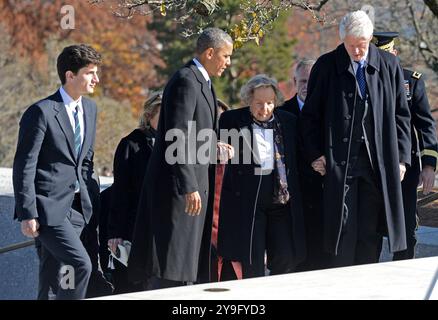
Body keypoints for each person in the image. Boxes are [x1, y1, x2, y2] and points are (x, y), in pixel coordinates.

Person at [300, 11, 412, 268]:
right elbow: (310, 117)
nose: (358, 52)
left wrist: (402, 160)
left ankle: (366, 284)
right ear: (343, 41)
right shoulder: (327, 66)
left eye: (362, 45)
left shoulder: (388, 64)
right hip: (341, 163)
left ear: (370, 39)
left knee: (371, 230)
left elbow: (401, 116)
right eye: (352, 46)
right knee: (343, 227)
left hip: (378, 163)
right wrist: (315, 154)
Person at [128, 28, 234, 289]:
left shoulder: (204, 82)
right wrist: (189, 186)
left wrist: (213, 143)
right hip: (180, 192)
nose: (228, 62)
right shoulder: (186, 80)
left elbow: (195, 131)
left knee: (185, 269)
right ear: (210, 53)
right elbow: (178, 136)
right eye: (226, 56)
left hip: (194, 189)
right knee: (170, 268)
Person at [13, 44, 102, 299]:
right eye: (90, 73)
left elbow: (85, 160)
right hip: (46, 209)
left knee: (51, 276)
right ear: (70, 75)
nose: (96, 79)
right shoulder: (40, 112)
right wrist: (27, 213)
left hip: (79, 208)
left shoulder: (90, 110)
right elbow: (24, 166)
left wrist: (91, 195)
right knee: (80, 264)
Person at [217, 74, 306, 278]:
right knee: (252, 262)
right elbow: (219, 145)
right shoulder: (231, 120)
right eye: (258, 103)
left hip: (282, 201)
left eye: (269, 103)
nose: (264, 108)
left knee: (286, 257)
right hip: (250, 204)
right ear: (249, 100)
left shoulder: (289, 121)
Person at [373, 31, 438, 260]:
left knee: (405, 232)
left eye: (386, 55)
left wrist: (428, 166)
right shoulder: (362, 81)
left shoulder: (411, 80)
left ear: (395, 54)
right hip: (371, 169)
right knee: (370, 233)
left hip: (405, 168)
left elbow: (425, 126)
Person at [106, 91, 162, 294]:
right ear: (149, 116)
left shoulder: (179, 144)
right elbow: (120, 191)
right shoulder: (131, 143)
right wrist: (116, 233)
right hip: (135, 228)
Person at [279, 59, 328, 271]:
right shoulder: (282, 113)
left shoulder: (330, 111)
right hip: (294, 195)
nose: (307, 86)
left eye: (312, 80)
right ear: (294, 81)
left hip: (323, 194)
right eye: (303, 81)